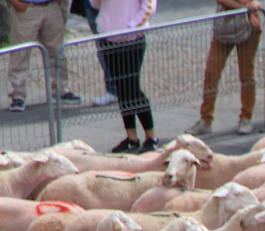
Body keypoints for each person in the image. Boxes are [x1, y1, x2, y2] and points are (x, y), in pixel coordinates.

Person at [191, 0, 264, 136]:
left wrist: (247, 6)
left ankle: (246, 117)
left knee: (246, 74)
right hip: (225, 26)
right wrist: (243, 6)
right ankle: (206, 119)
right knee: (211, 73)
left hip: (248, 25)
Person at [91, 0, 156, 152]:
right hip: (108, 37)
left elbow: (149, 7)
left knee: (132, 88)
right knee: (121, 89)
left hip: (131, 39)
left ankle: (151, 137)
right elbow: (95, 4)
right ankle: (131, 138)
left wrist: (131, 26)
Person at [7, 0, 79, 112]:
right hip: (26, 8)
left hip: (51, 6)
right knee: (20, 54)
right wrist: (16, 3)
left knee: (57, 51)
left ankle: (60, 89)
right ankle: (18, 94)